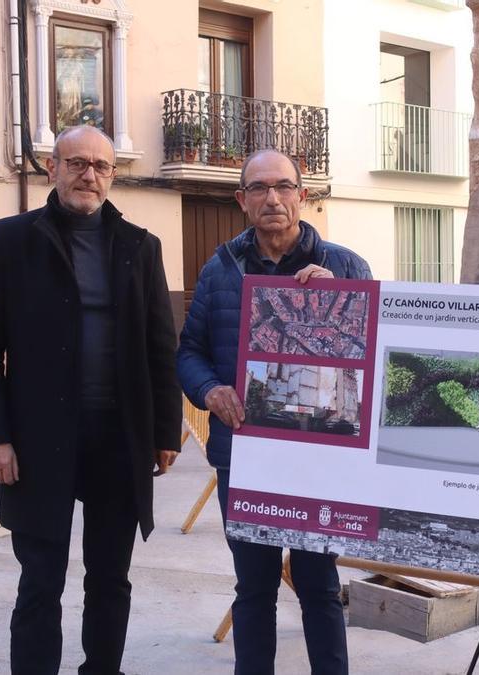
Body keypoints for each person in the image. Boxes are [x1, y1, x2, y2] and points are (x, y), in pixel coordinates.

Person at [0, 125, 182, 674]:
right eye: (77, 163)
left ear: (113, 175)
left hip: (118, 438)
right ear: (52, 168)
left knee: (110, 577)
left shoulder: (140, 245)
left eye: (102, 166)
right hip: (39, 442)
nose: (90, 175)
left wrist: (164, 432)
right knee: (41, 580)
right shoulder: (11, 239)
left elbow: (161, 344)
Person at [177, 149, 371, 675]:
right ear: (242, 200)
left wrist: (343, 302)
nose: (273, 198)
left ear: (302, 196)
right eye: (259, 188)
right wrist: (210, 390)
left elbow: (374, 357)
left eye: (284, 186)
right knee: (254, 586)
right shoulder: (220, 269)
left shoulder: (344, 265)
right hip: (243, 454)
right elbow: (189, 351)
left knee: (319, 585)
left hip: (319, 458)